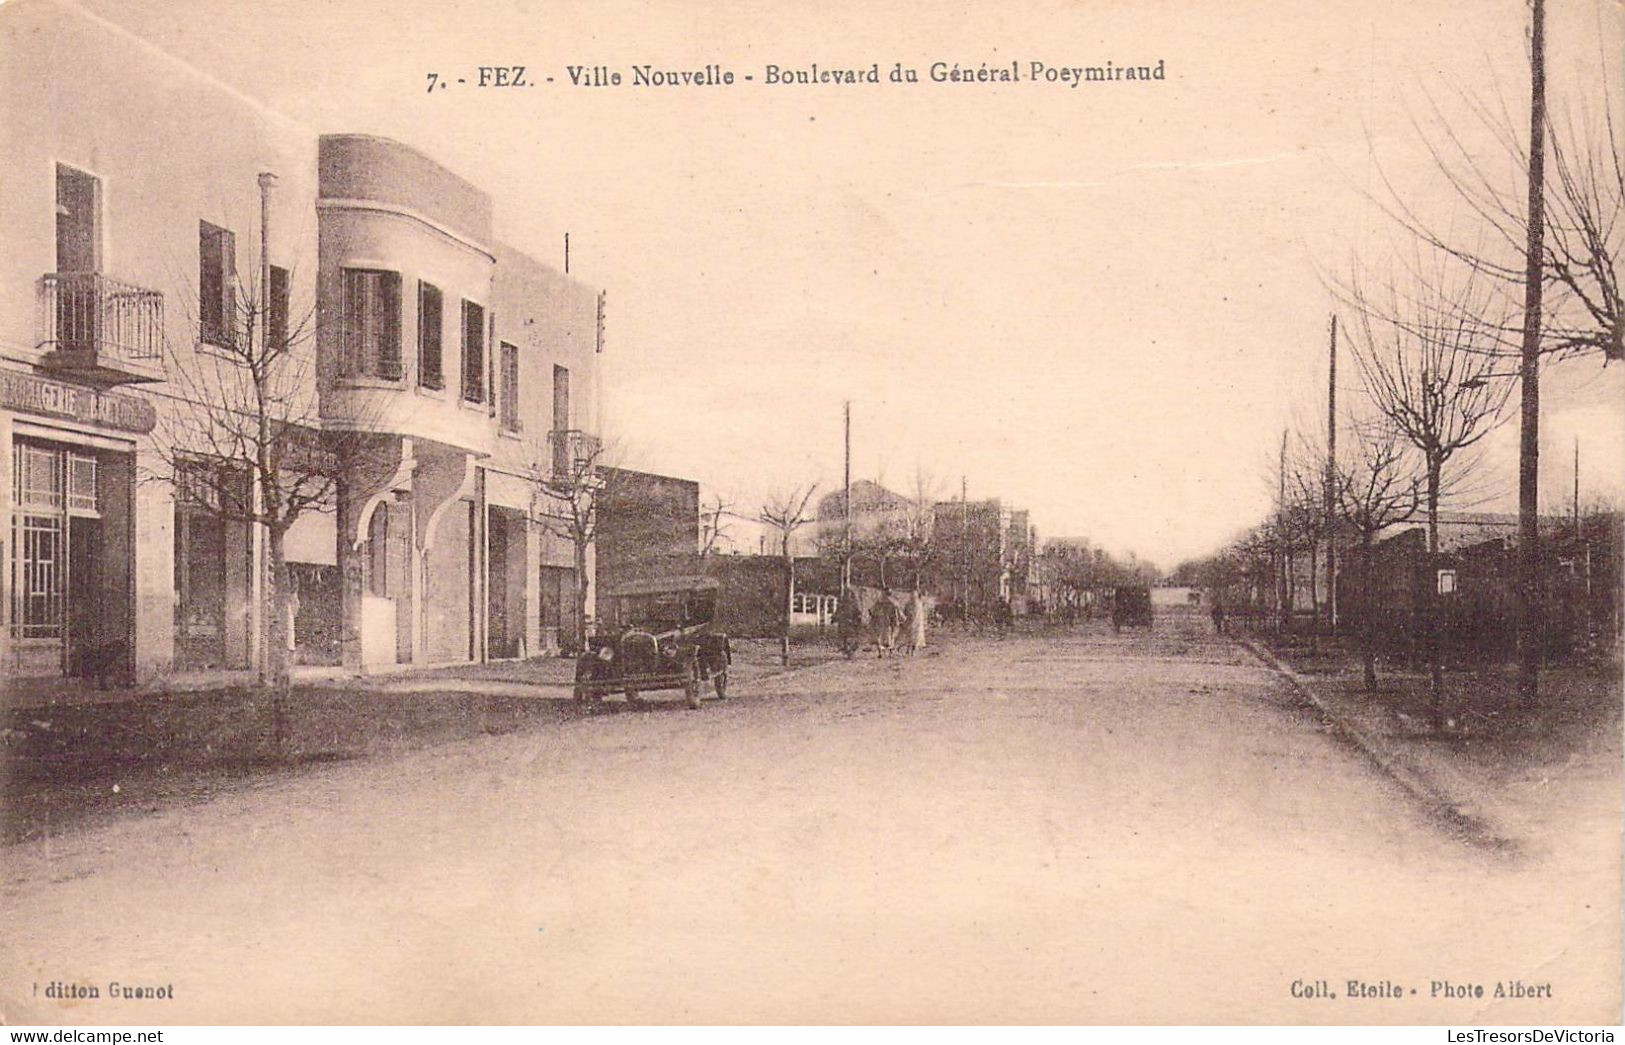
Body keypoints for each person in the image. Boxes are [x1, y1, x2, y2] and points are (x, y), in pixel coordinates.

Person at [834, 589, 862, 659]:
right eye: (846, 595)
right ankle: (846, 650)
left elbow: (858, 613)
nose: (847, 597)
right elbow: (837, 612)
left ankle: (851, 651)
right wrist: (835, 617)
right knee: (843, 637)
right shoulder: (841, 604)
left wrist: (857, 619)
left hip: (851, 623)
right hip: (843, 623)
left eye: (848, 595)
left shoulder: (854, 604)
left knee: (851, 638)